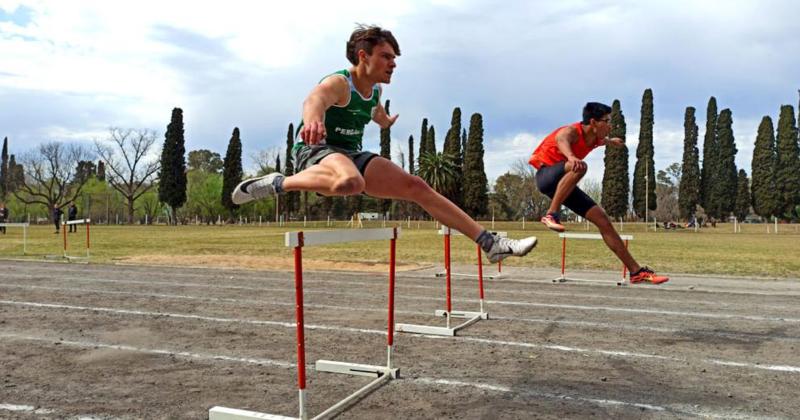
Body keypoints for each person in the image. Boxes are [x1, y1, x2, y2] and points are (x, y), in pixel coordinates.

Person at [232, 25, 536, 263]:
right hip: (316, 150)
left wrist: (385, 121)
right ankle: (278, 183)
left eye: (394, 58)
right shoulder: (340, 83)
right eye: (386, 57)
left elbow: (373, 111)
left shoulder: (374, 90)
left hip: (351, 153)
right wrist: (313, 120)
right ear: (363, 56)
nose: (393, 64)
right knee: (350, 179)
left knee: (416, 186)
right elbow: (315, 99)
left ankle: (490, 243)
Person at [529, 102, 669, 284]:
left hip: (564, 184)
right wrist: (571, 157)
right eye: (607, 121)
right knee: (579, 167)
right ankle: (551, 215)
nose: (610, 125)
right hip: (547, 176)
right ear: (593, 123)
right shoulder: (572, 131)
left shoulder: (594, 138)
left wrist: (612, 142)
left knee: (603, 219)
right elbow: (561, 140)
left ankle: (636, 272)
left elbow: (602, 141)